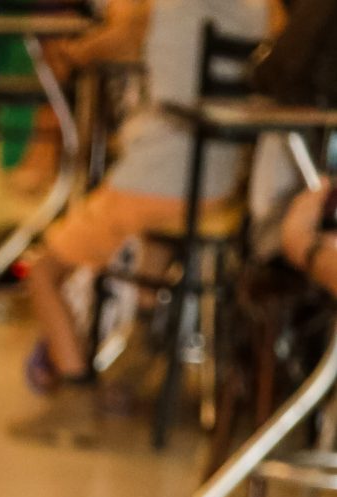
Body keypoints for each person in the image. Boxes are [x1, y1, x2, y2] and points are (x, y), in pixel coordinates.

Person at [15, 0, 267, 436]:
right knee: (155, 239)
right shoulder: (263, 8)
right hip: (222, 180)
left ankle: (76, 390)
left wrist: (73, 53)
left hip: (159, 176)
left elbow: (125, 36)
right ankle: (142, 342)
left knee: (43, 274)